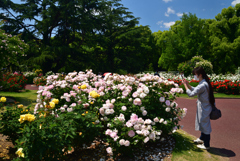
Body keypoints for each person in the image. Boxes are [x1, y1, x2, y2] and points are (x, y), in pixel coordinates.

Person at [182, 67, 215, 150]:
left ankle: (206, 145)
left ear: (200, 75)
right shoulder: (203, 83)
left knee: (205, 124)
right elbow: (195, 90)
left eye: (195, 75)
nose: (194, 76)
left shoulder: (203, 84)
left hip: (204, 108)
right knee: (202, 122)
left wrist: (185, 85)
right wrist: (188, 84)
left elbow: (191, 94)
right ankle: (201, 139)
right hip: (204, 107)